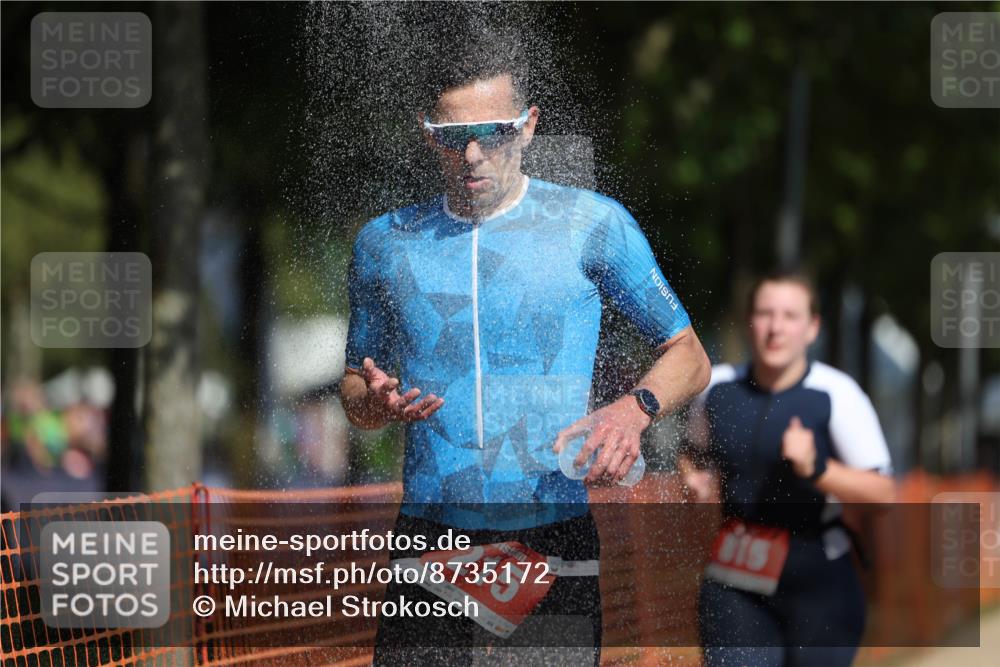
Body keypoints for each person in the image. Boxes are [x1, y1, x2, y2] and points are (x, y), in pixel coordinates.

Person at [339, 36, 710, 666]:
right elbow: (353, 390)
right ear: (429, 137)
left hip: (549, 534)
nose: (475, 155)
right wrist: (375, 402)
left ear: (530, 126)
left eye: (496, 132)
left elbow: (689, 354)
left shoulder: (592, 223)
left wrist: (633, 409)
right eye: (455, 136)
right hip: (432, 538)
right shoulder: (386, 243)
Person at [680, 270, 896, 667]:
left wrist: (818, 470)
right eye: (765, 313)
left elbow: (883, 494)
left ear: (812, 328)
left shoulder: (836, 394)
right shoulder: (718, 389)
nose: (776, 328)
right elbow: (692, 451)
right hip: (736, 577)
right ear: (750, 321)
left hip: (819, 582)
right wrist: (692, 476)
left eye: (790, 316)